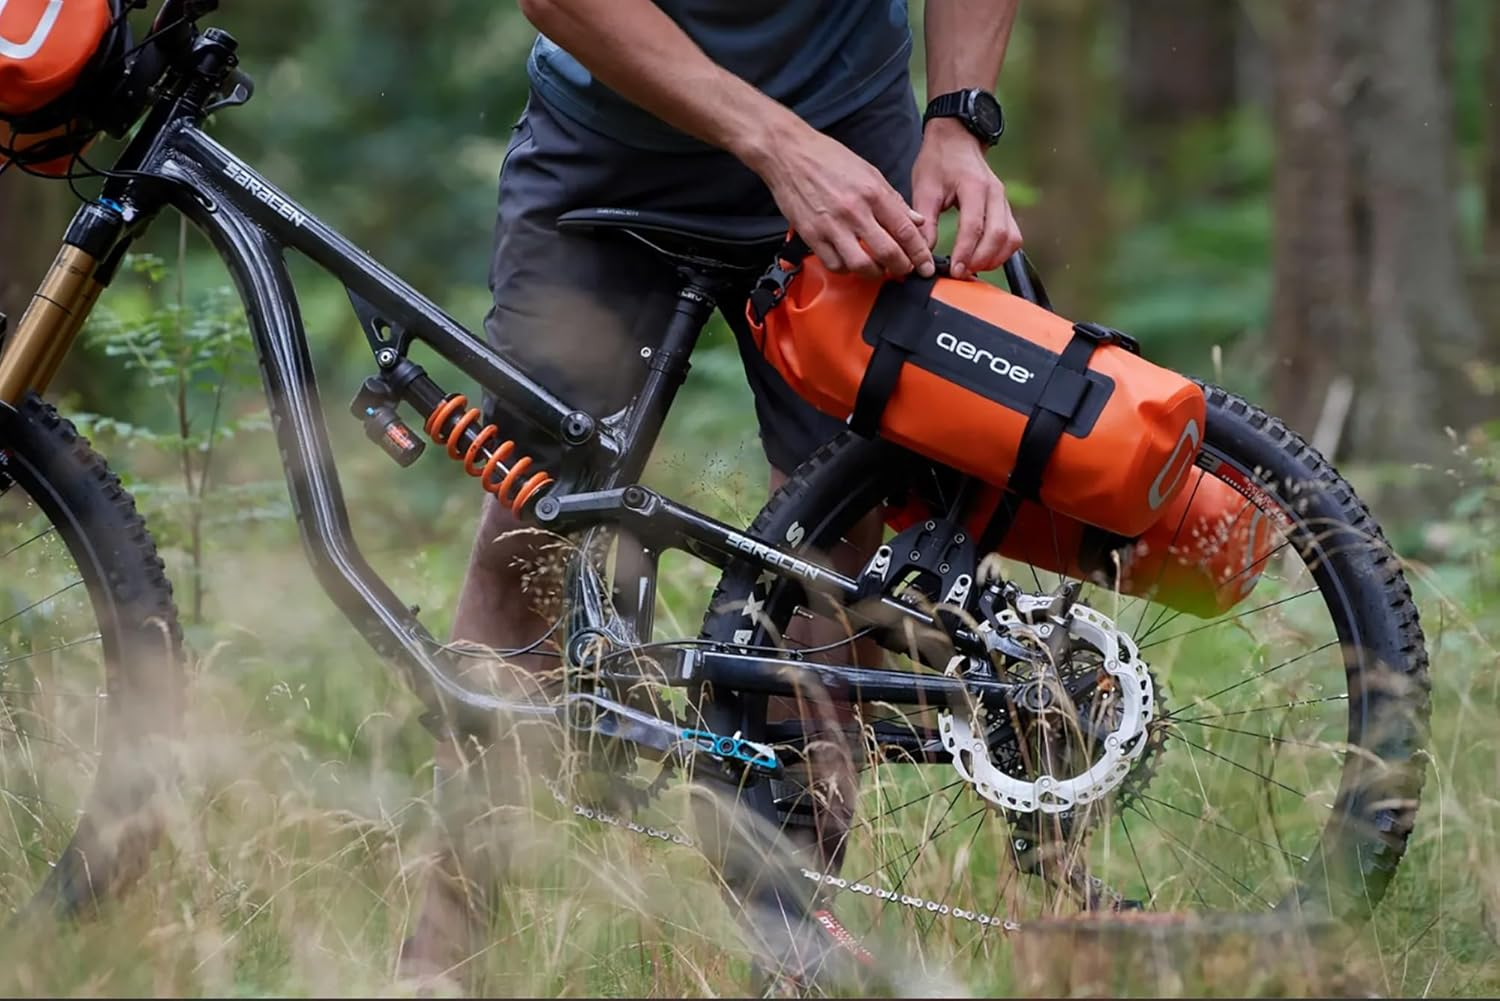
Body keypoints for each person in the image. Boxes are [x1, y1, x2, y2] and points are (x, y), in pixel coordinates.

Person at [401, 0, 1023, 981]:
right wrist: (773, 142)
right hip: (611, 136)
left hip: (854, 136)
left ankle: (789, 950)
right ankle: (441, 960)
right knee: (533, 529)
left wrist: (957, 117)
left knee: (830, 549)